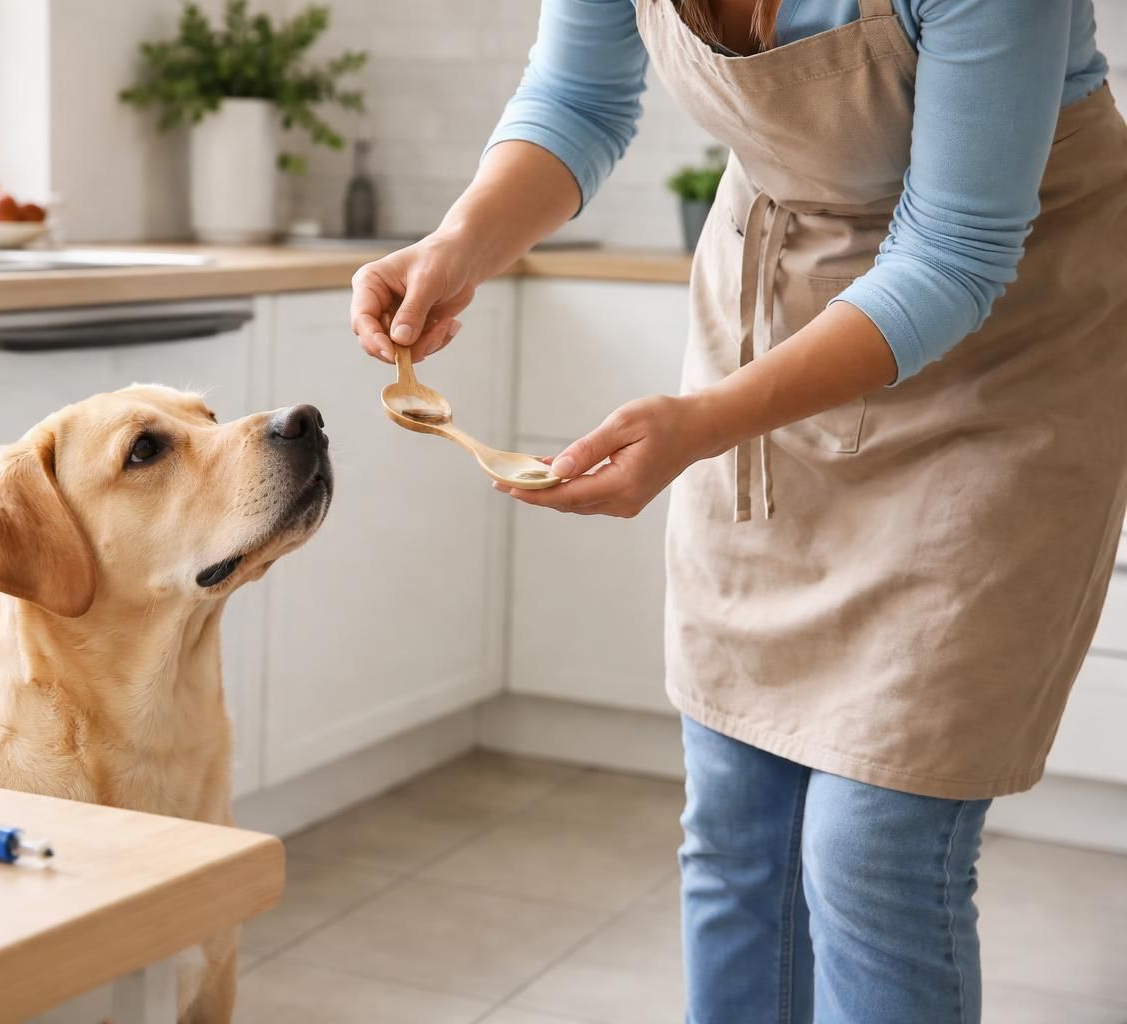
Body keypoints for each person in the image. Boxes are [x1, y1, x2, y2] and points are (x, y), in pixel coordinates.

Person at [349, 1, 1127, 1020]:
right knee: (736, 823)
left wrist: (707, 421)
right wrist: (460, 244)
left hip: (1002, 348)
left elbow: (955, 254)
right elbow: (576, 99)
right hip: (773, 310)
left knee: (873, 847)